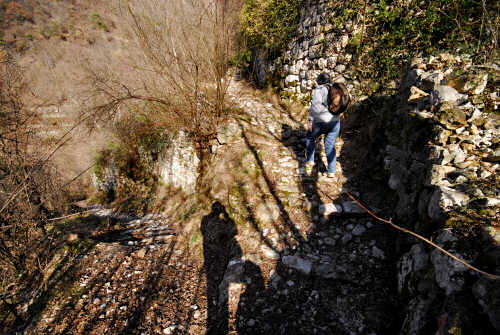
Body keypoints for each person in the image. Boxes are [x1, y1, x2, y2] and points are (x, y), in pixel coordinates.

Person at [305, 72, 345, 178]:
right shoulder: (336, 90)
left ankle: (310, 161)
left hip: (321, 122)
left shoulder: (320, 90)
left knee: (309, 137)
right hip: (335, 122)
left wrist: (310, 121)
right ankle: (331, 171)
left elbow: (315, 107)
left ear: (320, 81)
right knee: (330, 145)